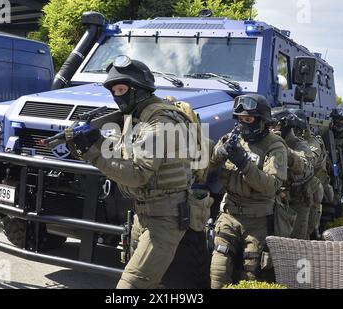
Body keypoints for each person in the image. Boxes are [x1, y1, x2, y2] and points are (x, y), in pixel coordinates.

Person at [73, 55, 201, 289]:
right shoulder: (136, 119)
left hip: (165, 218)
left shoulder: (160, 122)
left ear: (138, 89)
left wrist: (93, 152)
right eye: (113, 91)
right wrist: (94, 142)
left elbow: (137, 174)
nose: (116, 96)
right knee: (148, 285)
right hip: (142, 215)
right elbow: (124, 154)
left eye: (121, 89)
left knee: (130, 287)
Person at [209, 94, 287, 288]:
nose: (244, 124)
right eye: (241, 119)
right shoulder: (232, 138)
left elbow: (271, 186)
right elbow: (206, 168)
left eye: (249, 120)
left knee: (251, 275)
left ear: (262, 121)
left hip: (258, 219)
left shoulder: (275, 146)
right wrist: (218, 154)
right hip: (229, 214)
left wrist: (245, 164)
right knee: (217, 271)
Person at [270, 109, 314, 240]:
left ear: (285, 126)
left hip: (295, 203)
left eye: (275, 126)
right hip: (272, 202)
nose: (271, 129)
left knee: (294, 244)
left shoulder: (300, 146)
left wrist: (282, 149)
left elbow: (304, 169)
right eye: (269, 126)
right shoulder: (268, 142)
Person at [289, 108, 328, 239]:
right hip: (294, 193)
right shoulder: (291, 141)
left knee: (303, 233)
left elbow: (308, 162)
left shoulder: (312, 143)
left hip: (310, 194)